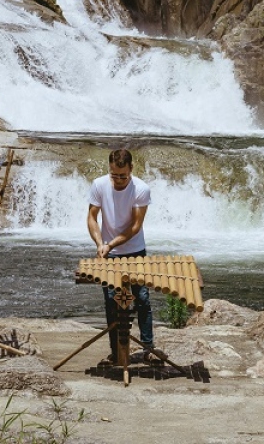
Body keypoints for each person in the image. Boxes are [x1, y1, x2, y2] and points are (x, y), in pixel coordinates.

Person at [86, 148, 156, 366]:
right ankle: (116, 352)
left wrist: (110, 244)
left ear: (131, 170)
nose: (117, 180)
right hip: (108, 253)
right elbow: (91, 216)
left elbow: (135, 226)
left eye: (122, 176)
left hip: (135, 250)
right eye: (113, 175)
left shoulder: (141, 189)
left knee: (142, 299)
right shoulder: (99, 185)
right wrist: (100, 244)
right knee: (111, 302)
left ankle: (147, 348)